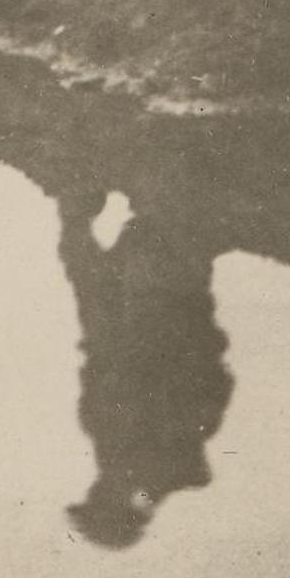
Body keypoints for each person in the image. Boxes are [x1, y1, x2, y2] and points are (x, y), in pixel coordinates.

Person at [58, 187, 231, 550]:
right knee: (152, 239)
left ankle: (79, 192)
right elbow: (204, 384)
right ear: (117, 507)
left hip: (118, 335)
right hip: (159, 324)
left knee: (83, 257)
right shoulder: (156, 467)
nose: (94, 491)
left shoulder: (121, 464)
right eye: (97, 502)